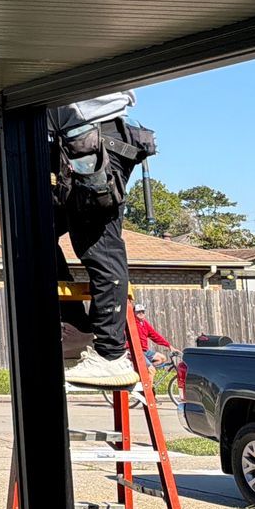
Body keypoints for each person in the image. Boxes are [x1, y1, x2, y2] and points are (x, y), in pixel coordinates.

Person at [50, 91, 151, 389]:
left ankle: (111, 354)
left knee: (98, 243)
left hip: (95, 137)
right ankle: (79, 330)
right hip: (67, 142)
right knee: (31, 238)